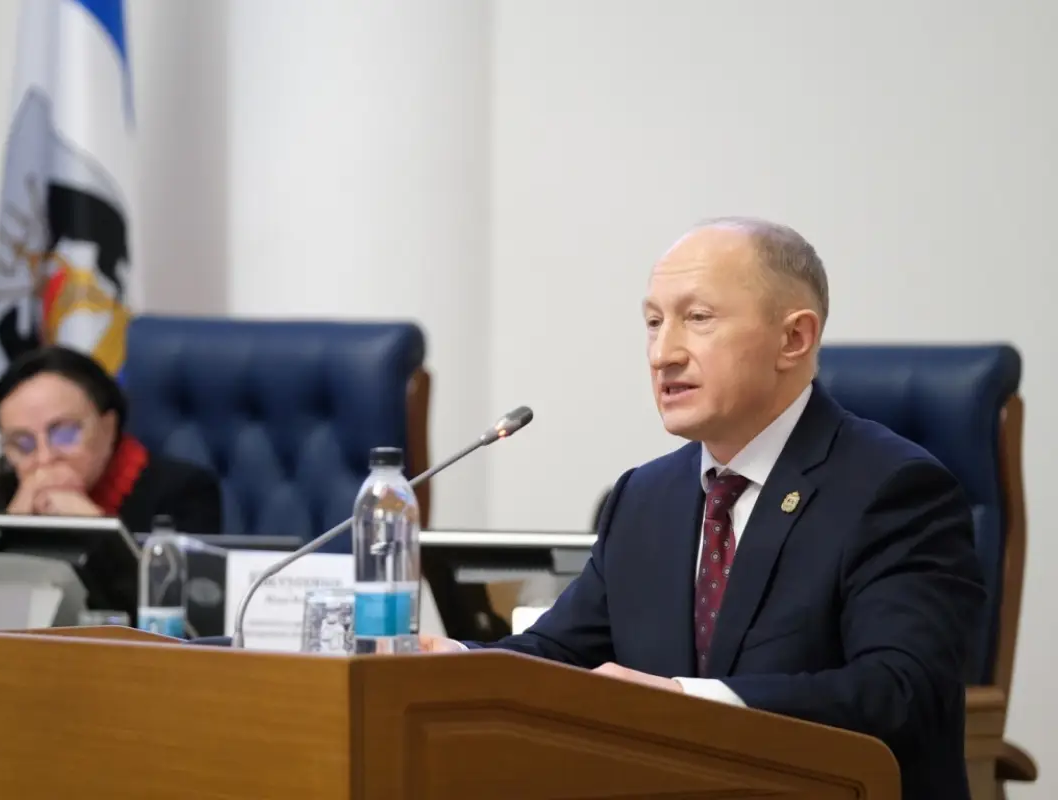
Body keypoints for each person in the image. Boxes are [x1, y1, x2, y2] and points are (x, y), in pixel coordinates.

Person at [421, 217, 984, 800]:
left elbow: (898, 693)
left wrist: (685, 703)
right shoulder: (643, 497)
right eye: (653, 322)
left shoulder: (894, 490)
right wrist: (447, 660)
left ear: (794, 338)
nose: (663, 354)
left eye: (697, 318)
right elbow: (558, 654)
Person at [0, 346, 223, 534]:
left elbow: (179, 583)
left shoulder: (185, 492)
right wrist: (11, 527)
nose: (45, 458)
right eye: (24, 445)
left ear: (108, 428)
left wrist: (95, 526)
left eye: (64, 434)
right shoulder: (5, 492)